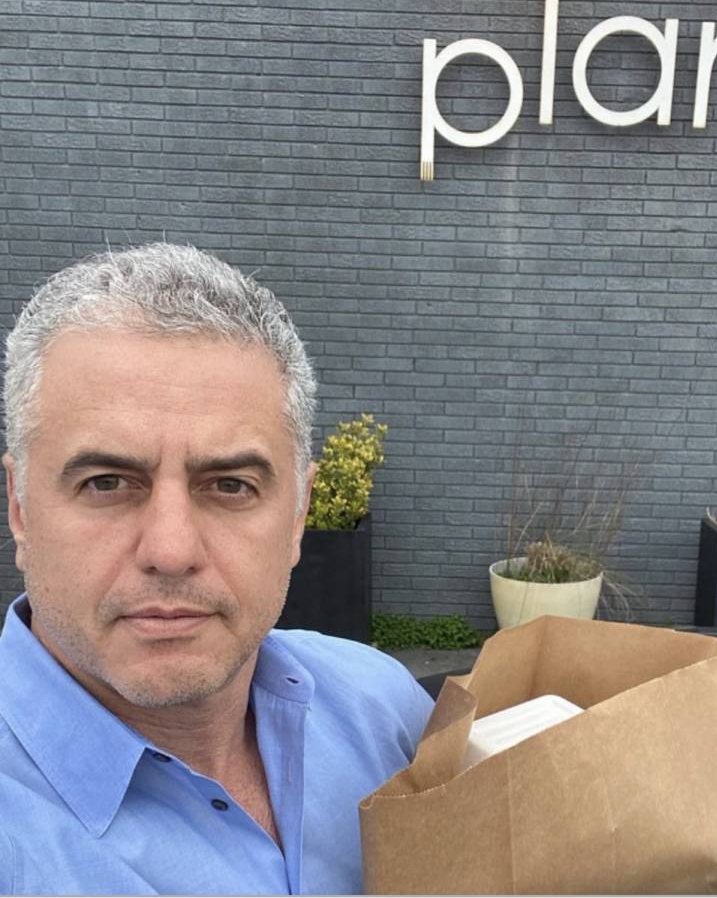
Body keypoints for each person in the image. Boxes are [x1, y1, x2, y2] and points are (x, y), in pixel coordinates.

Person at [0, 243, 433, 895]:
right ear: (20, 509)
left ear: (298, 514)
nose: (172, 551)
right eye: (107, 481)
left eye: (230, 485)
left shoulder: (383, 709)